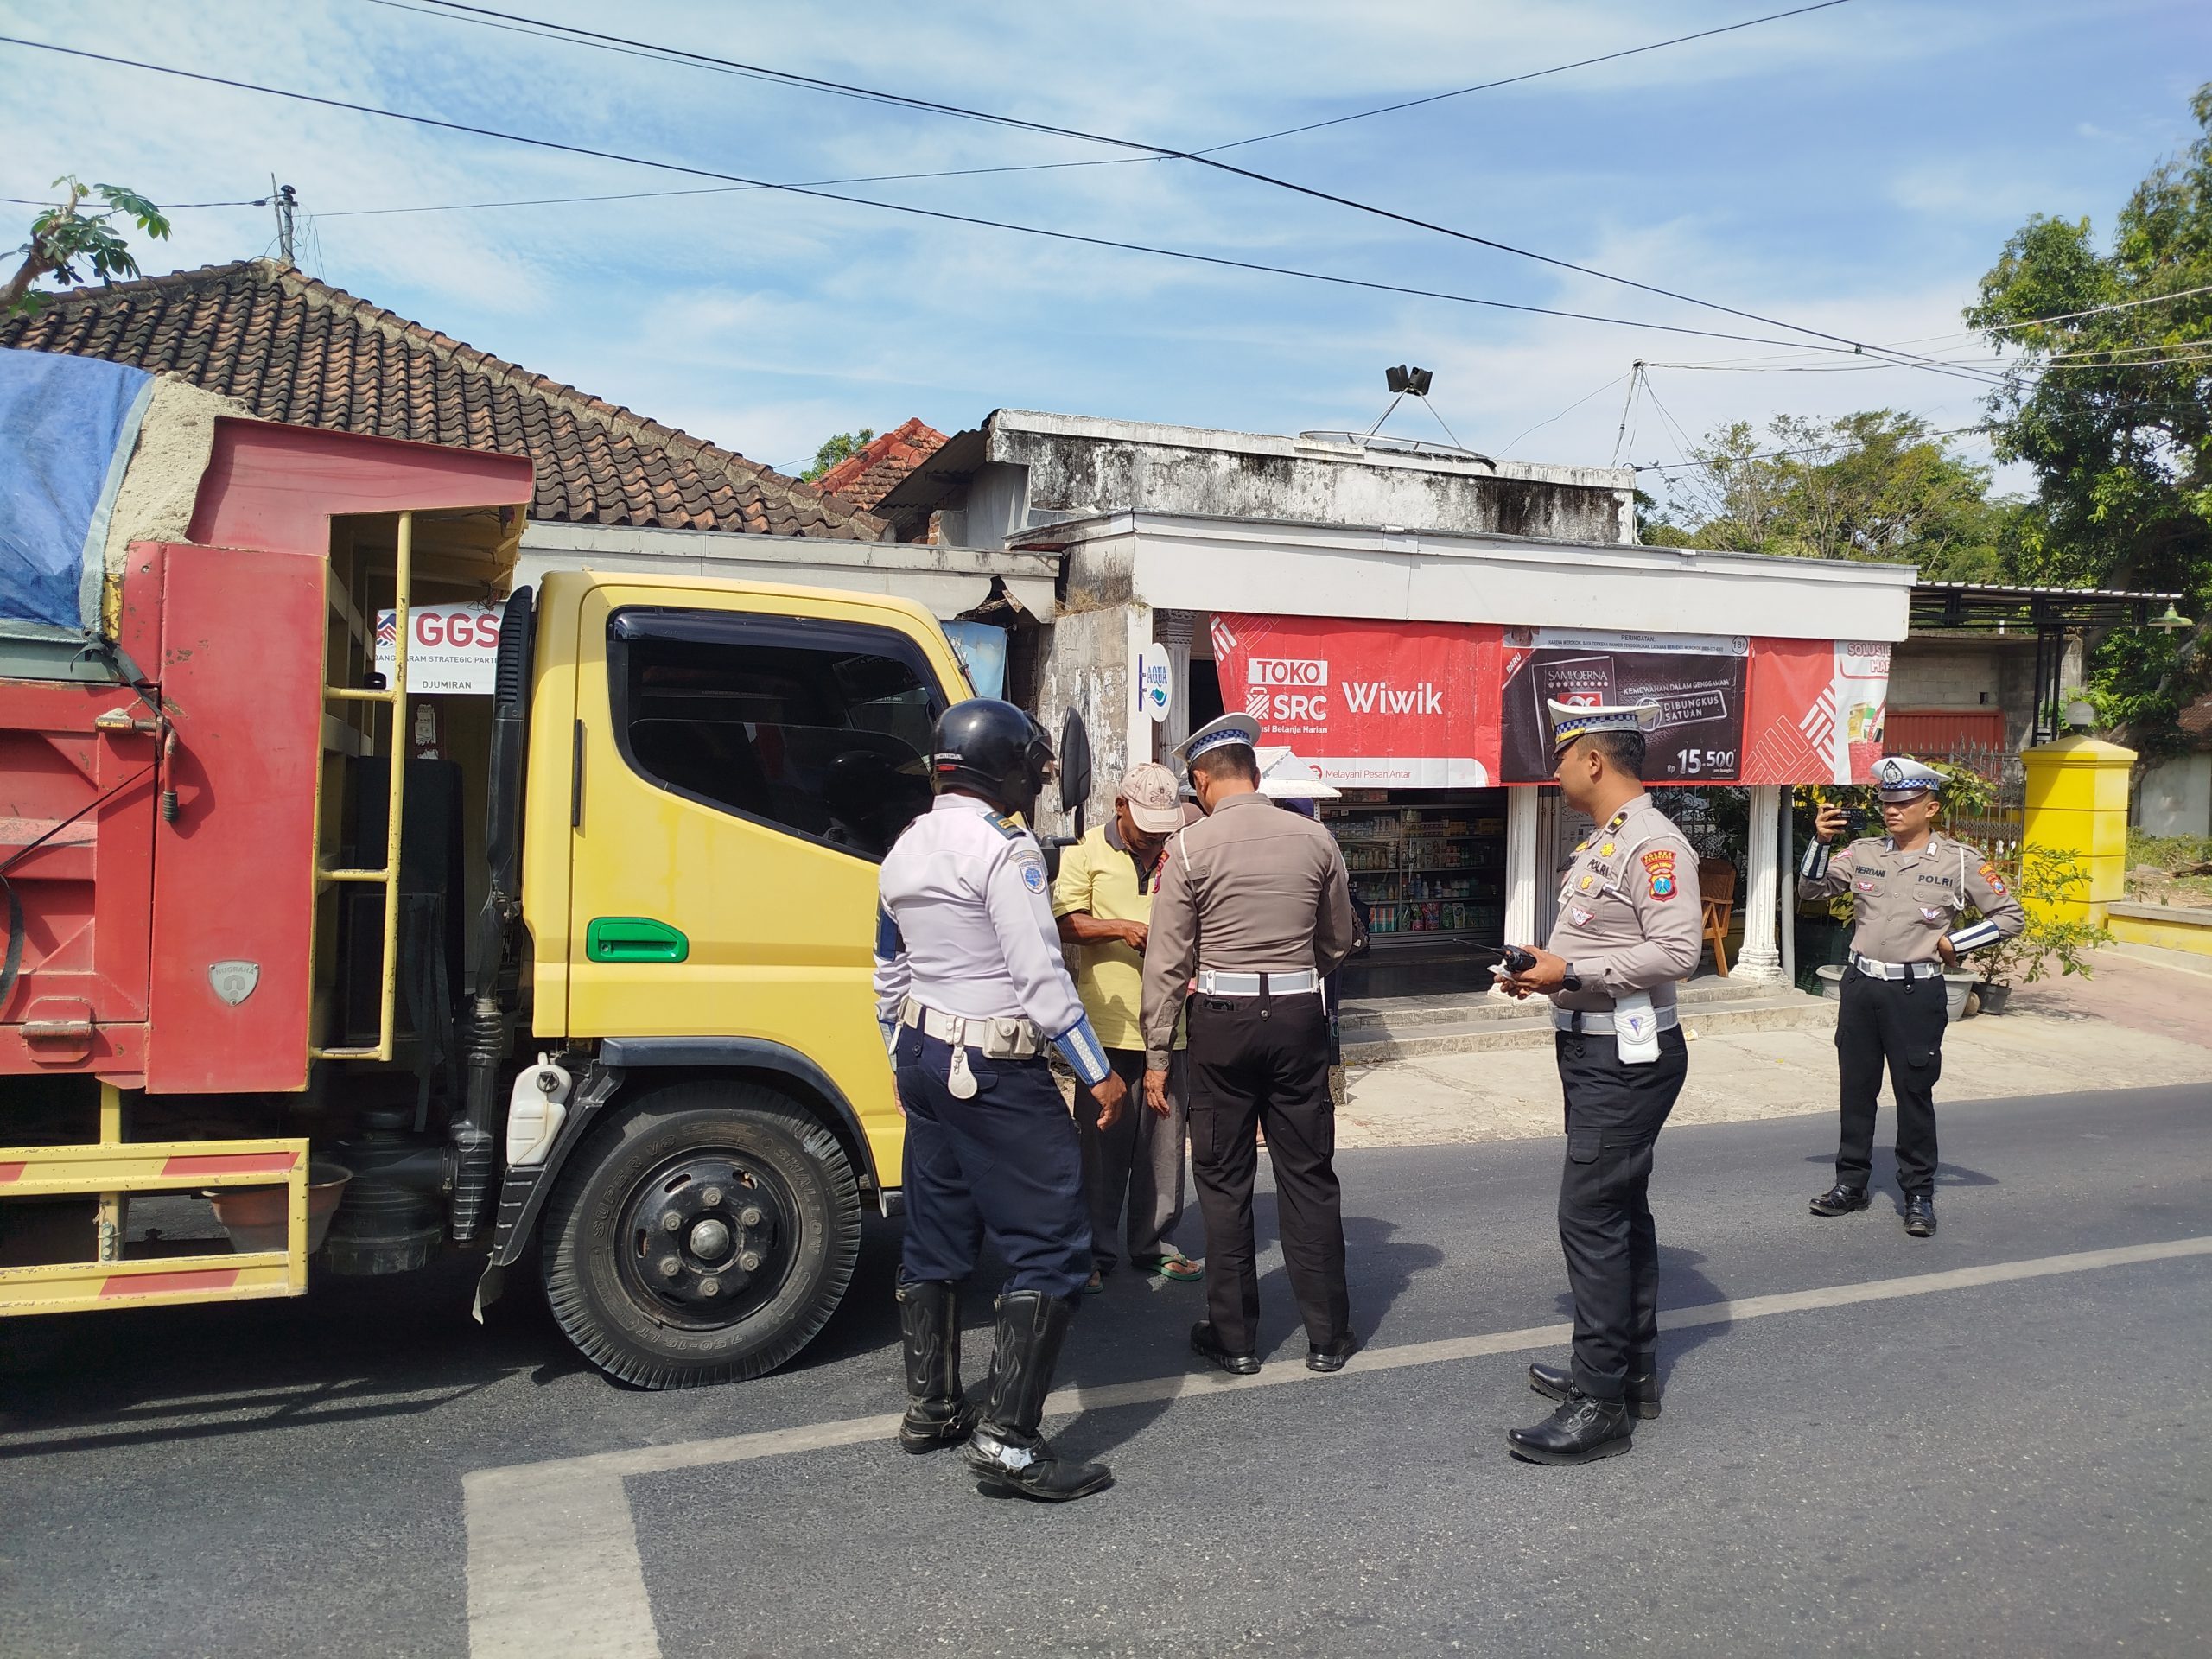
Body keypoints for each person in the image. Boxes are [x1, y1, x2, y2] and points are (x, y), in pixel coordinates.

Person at [873, 697, 1128, 1503]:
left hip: (922, 1052)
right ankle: (1008, 1442)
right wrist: (1097, 1070)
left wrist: (899, 1058)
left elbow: (888, 970)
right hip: (991, 1063)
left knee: (937, 1229)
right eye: (1029, 768)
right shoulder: (1006, 850)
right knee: (1051, 1241)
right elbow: (1039, 976)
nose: (1036, 782)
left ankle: (932, 1408)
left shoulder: (905, 845)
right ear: (1001, 768)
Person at [1498, 700, 1701, 1466]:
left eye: (1561, 755)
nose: (1553, 770)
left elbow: (1678, 951)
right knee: (1618, 1213)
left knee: (1589, 1219)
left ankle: (1600, 1404)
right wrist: (1545, 971)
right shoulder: (1609, 838)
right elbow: (1601, 941)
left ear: (1593, 760)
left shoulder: (1653, 842)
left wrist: (1571, 971)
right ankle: (1627, 1373)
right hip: (1599, 1050)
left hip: (1625, 1057)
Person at [1140, 713, 1360, 1377]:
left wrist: (1157, 1056)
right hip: (1297, 1017)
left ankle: (1234, 1339)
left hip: (1221, 1021)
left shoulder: (1187, 848)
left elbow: (1167, 963)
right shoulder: (1315, 838)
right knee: (1308, 1175)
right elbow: (1338, 938)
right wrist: (1292, 976)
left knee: (1224, 1181)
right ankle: (1328, 1337)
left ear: (1202, 780)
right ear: (1256, 775)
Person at [1797, 755, 2024, 1236]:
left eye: (1904, 803)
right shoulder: (1863, 852)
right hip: (1861, 987)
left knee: (1913, 1092)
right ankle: (1850, 1184)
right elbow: (1811, 890)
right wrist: (1820, 842)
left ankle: (1918, 1192)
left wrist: (1956, 943)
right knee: (1856, 1089)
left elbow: (2010, 916)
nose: (1892, 810)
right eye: (1887, 802)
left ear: (1931, 807)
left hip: (1915, 990)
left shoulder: (1959, 861)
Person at [1052, 761, 1205, 1291]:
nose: (1154, 840)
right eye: (1146, 831)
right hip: (1104, 1029)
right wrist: (1120, 928)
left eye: (1163, 831)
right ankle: (1094, 1251)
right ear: (1120, 808)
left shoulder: (1179, 852)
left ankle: (1154, 1242)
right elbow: (1063, 923)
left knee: (1164, 1147)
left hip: (1170, 1027)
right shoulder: (1086, 852)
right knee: (1099, 1149)